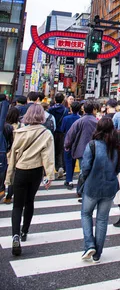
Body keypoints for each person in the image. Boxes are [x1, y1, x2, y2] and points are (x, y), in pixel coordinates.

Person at [6, 104, 54, 256]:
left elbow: (12, 155)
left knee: (17, 205)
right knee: (29, 202)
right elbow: (48, 157)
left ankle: (15, 236)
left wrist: (9, 176)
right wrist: (49, 176)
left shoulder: (19, 132)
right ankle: (24, 231)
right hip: (35, 171)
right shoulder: (46, 134)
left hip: (20, 170)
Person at [80, 117, 120, 263]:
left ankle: (89, 244)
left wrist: (83, 180)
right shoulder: (117, 146)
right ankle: (97, 253)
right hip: (110, 185)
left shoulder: (92, 145)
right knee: (102, 219)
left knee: (86, 214)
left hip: (92, 185)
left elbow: (85, 168)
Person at [64, 100, 99, 168]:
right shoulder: (97, 122)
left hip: (81, 151)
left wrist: (67, 146)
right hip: (96, 151)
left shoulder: (79, 122)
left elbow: (70, 135)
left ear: (83, 109)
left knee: (83, 172)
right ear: (94, 110)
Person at [60, 102, 81, 189]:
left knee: (68, 161)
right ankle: (71, 179)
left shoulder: (66, 118)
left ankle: (69, 180)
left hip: (68, 141)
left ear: (71, 108)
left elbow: (62, 129)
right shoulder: (80, 119)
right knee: (74, 161)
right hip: (78, 142)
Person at [3, 106, 21, 204]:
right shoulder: (20, 126)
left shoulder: (4, 126)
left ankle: (2, 191)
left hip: (5, 152)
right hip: (15, 153)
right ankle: (9, 196)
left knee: (3, 173)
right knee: (12, 176)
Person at [48, 92, 68, 179]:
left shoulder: (51, 109)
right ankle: (60, 167)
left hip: (52, 132)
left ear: (55, 100)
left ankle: (49, 170)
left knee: (50, 150)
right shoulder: (65, 110)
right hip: (61, 132)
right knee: (59, 151)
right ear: (63, 100)